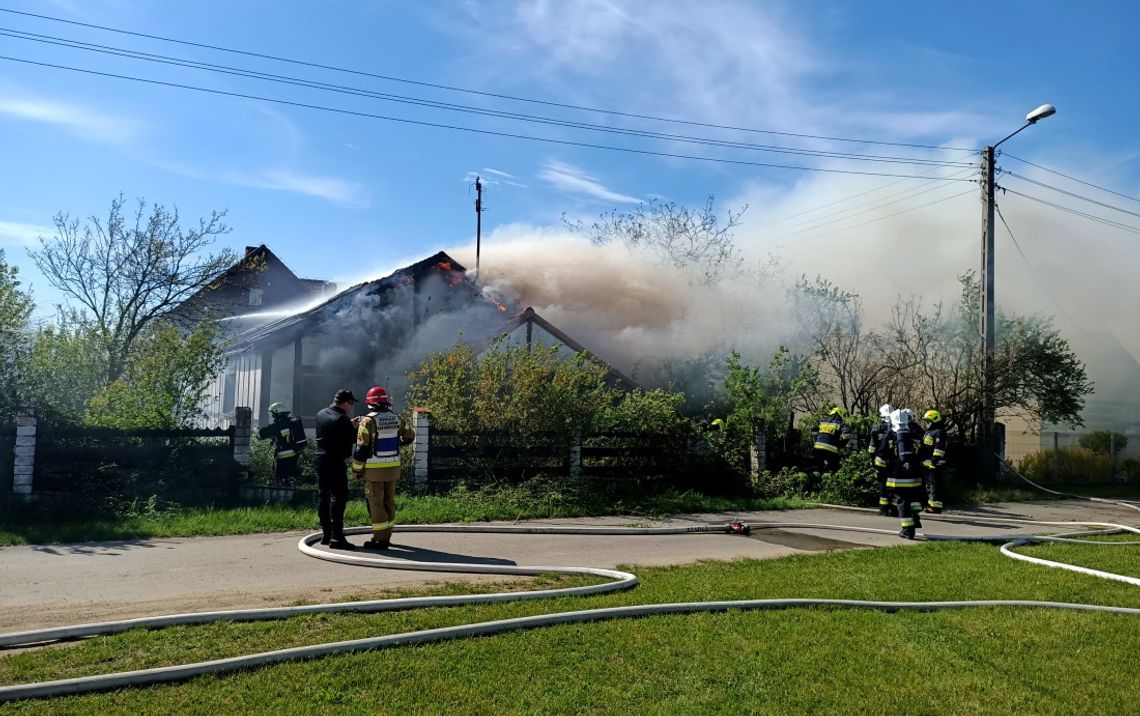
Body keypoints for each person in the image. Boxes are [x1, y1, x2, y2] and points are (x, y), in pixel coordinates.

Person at [351, 386, 415, 550]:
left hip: (374, 471)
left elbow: (361, 449)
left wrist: (357, 470)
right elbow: (410, 436)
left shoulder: (368, 421)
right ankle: (387, 536)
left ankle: (380, 539)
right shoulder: (396, 418)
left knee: (375, 503)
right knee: (389, 502)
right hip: (393, 468)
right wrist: (397, 444)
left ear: (370, 404)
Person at [315, 389, 358, 550]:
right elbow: (347, 450)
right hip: (335, 462)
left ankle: (326, 534)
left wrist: (348, 426)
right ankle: (337, 537)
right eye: (351, 404)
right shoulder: (343, 420)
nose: (351, 407)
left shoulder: (321, 414)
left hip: (320, 459)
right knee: (339, 498)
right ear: (346, 403)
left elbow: (331, 433)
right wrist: (352, 429)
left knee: (323, 497)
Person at [886, 408, 924, 539]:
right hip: (915, 475)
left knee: (902, 501)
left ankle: (908, 530)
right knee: (913, 499)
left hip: (899, 476)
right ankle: (915, 518)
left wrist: (881, 470)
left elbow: (882, 456)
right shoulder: (915, 434)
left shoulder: (891, 435)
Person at [258, 402, 307, 483]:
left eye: (273, 414)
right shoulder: (292, 422)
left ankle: (283, 489)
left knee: (279, 477)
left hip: (282, 455)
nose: (273, 417)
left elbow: (260, 435)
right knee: (290, 473)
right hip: (295, 453)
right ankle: (302, 478)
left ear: (278, 413)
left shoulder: (276, 426)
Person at [868, 403, 895, 515]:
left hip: (880, 460)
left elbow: (872, 447)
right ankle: (894, 510)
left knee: (883, 484)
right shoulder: (896, 428)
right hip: (894, 461)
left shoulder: (876, 427)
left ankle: (883, 510)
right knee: (894, 484)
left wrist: (872, 460)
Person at [920, 409, 948, 513]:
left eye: (928, 421)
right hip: (928, 465)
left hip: (936, 465)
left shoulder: (939, 432)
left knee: (934, 486)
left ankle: (935, 506)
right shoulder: (928, 432)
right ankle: (931, 503)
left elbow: (939, 449)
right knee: (929, 485)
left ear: (934, 420)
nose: (926, 423)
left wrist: (934, 461)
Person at [813, 406, 850, 477]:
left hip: (817, 448)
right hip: (831, 450)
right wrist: (841, 444)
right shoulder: (840, 423)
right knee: (833, 467)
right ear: (839, 415)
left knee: (818, 467)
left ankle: (815, 482)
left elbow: (813, 430)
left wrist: (817, 438)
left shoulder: (822, 421)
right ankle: (829, 481)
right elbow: (847, 434)